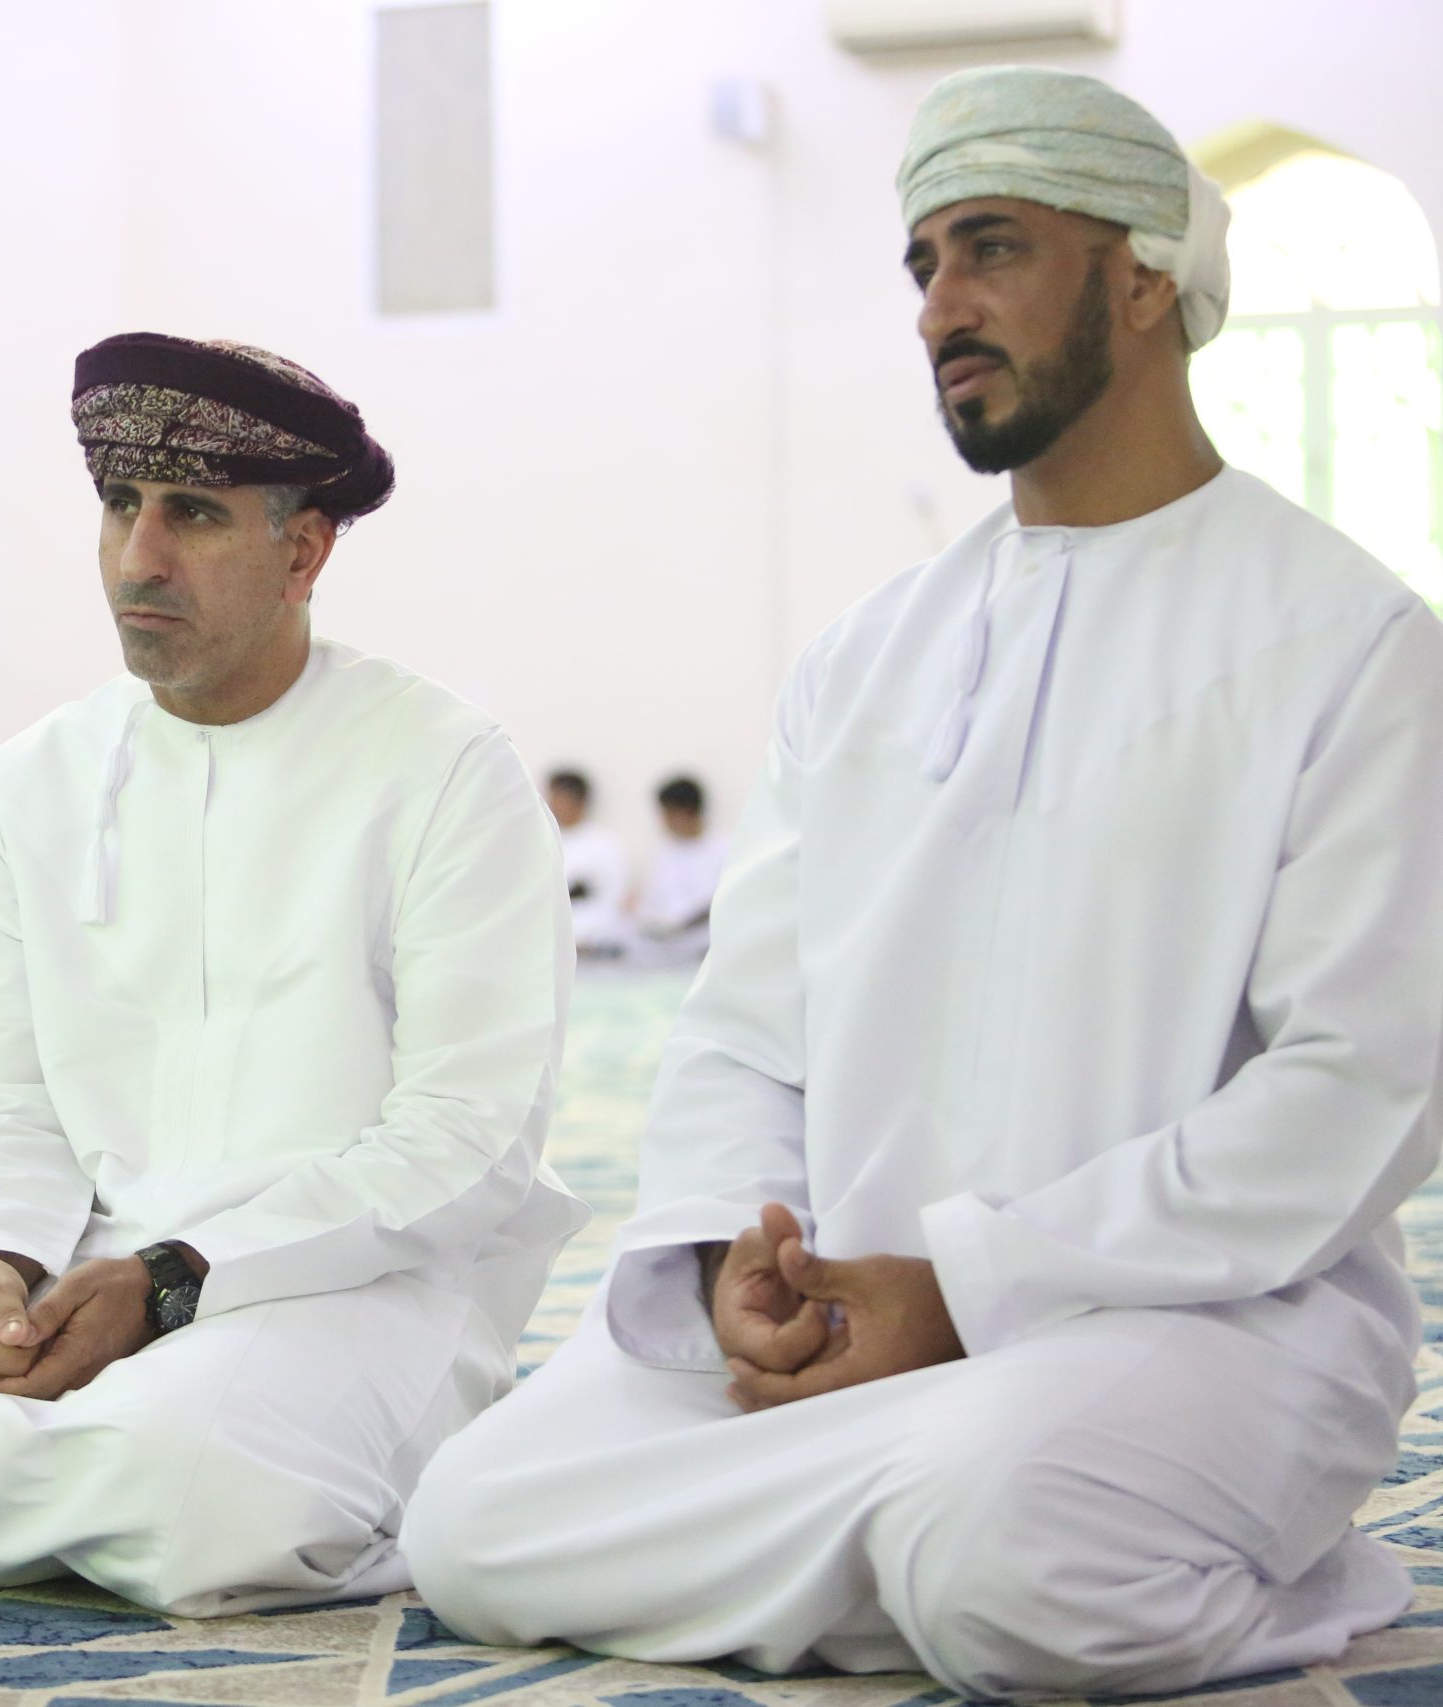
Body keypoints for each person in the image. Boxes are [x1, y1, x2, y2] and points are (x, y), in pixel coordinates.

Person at [405, 66, 1443, 1699]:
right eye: (922, 263)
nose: (939, 308)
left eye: (992, 249)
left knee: (1004, 1544)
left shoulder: (1352, 643)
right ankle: (934, 1554)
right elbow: (745, 1030)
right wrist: (740, 1257)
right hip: (851, 1323)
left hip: (1216, 1318)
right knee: (474, 1518)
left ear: (1145, 275)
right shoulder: (864, 659)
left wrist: (970, 1289)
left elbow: (1357, 1086)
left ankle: (1057, 1557)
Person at [0, 332, 584, 1614]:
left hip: (350, 1282)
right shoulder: (27, 784)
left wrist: (171, 1283)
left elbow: (466, 1141)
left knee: (186, 1499)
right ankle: (62, 1467)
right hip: (78, 1272)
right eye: (120, 506)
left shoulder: (444, 768)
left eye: (193, 515)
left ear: (304, 551)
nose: (138, 559)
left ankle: (50, 1470)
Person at [627, 775, 726, 966]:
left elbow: (718, 901)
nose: (663, 821)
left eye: (667, 814)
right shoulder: (664, 852)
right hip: (665, 942)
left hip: (705, 943)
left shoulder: (723, 849)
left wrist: (682, 924)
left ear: (686, 812)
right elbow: (653, 899)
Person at [546, 769, 629, 958]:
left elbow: (616, 898)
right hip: (550, 946)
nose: (554, 804)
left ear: (579, 800)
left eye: (561, 798)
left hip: (594, 944)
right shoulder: (544, 841)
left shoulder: (605, 845)